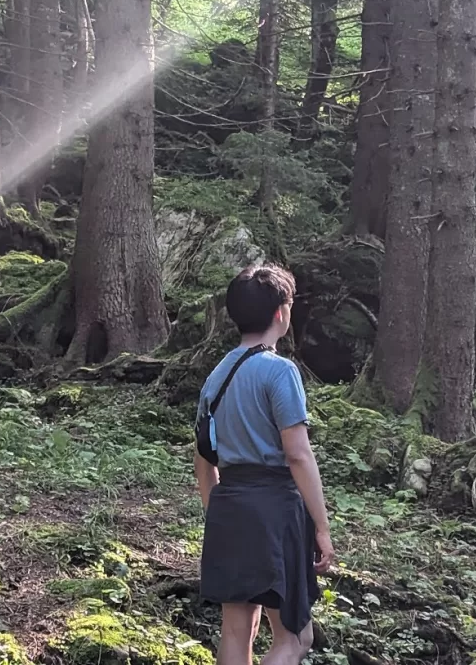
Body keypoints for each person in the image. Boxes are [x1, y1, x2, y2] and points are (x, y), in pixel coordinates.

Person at [195, 264, 334, 665]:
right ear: (281, 313)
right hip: (274, 509)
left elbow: (203, 462)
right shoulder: (280, 371)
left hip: (228, 507)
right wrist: (322, 528)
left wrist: (218, 517)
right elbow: (298, 454)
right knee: (294, 638)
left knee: (238, 633)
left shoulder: (215, 376)